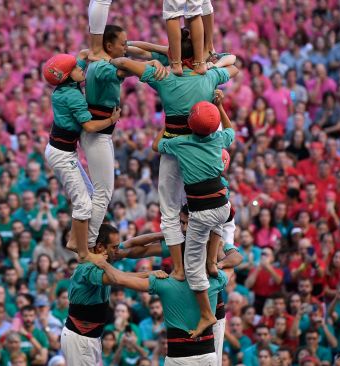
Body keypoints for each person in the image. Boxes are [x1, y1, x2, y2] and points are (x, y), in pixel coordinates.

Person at [109, 41, 238, 291]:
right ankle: (210, 262)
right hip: (204, 159)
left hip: (174, 143)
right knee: (211, 215)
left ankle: (178, 268)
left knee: (169, 212)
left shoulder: (164, 77)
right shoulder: (209, 78)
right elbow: (234, 67)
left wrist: (151, 62)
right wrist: (210, 64)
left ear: (174, 55)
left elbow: (122, 62)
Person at [150, 90, 234, 338]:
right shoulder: (218, 140)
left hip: (203, 212)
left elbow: (157, 145)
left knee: (192, 268)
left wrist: (169, 124)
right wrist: (220, 107)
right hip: (223, 205)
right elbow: (230, 132)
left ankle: (207, 314)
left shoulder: (181, 143)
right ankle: (212, 262)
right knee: (218, 225)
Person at [82, 24, 167, 249]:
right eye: (123, 43)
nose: (126, 47)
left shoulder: (102, 62)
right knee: (104, 192)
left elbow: (130, 56)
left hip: (103, 136)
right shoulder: (101, 67)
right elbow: (125, 69)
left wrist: (154, 55)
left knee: (100, 191)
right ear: (109, 46)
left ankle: (91, 235)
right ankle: (89, 243)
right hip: (97, 136)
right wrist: (149, 65)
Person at [93, 242, 231, 365]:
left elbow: (119, 279)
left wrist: (103, 263)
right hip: (206, 357)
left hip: (178, 359)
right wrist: (219, 252)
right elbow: (232, 265)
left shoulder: (164, 283)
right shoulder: (215, 281)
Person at [42, 51, 121, 264]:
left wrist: (90, 56)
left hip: (63, 150)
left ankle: (74, 239)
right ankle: (82, 248)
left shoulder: (66, 83)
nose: (81, 70)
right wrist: (111, 120)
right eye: (77, 70)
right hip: (62, 154)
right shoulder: (72, 96)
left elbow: (82, 56)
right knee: (84, 204)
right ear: (68, 76)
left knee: (89, 193)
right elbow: (89, 126)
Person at [60, 224, 163, 364]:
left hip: (91, 337)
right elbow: (119, 279)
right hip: (80, 338)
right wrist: (150, 276)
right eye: (114, 247)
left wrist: (163, 235)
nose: (118, 250)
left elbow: (132, 243)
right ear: (101, 247)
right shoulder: (89, 269)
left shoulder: (104, 262)